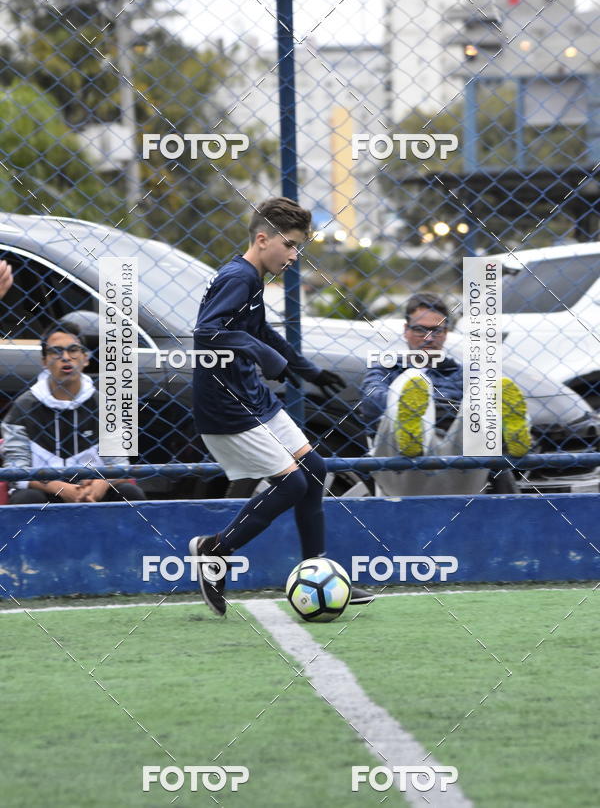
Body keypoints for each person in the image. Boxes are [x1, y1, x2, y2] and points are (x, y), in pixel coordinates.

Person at [188, 196, 370, 615]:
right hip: (226, 405)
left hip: (252, 396)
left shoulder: (251, 279)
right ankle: (215, 549)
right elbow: (205, 334)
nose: (293, 255)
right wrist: (260, 354)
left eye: (297, 247)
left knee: (314, 470)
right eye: (289, 245)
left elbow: (261, 332)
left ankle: (318, 569)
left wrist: (307, 371)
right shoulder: (237, 277)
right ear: (262, 238)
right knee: (292, 484)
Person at [360, 292, 531, 497]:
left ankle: (515, 431)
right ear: (406, 330)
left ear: (446, 332)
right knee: (409, 382)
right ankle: (414, 425)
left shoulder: (463, 373)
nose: (428, 338)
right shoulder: (387, 368)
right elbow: (370, 404)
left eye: (436, 331)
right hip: (402, 465)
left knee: (487, 390)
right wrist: (434, 407)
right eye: (420, 329)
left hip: (461, 463)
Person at [1, 321, 145, 504]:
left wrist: (101, 483)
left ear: (85, 358)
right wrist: (60, 488)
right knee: (26, 498)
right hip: (46, 489)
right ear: (44, 362)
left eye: (73, 349)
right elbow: (15, 469)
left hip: (91, 490)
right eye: (56, 351)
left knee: (129, 493)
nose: (66, 357)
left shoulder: (105, 405)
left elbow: (119, 463)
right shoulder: (24, 407)